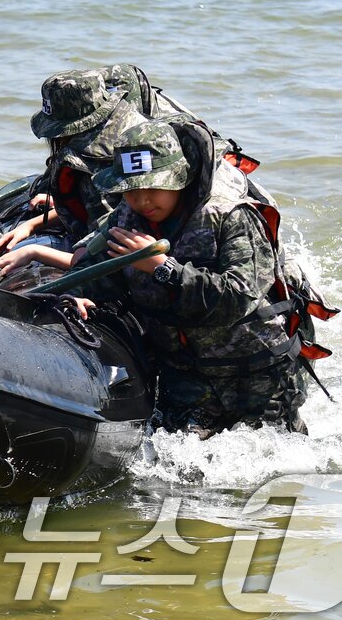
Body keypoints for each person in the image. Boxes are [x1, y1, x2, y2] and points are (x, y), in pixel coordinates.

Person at [69, 119, 313, 436]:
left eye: (153, 188)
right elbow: (94, 272)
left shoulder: (231, 217)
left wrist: (164, 269)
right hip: (184, 381)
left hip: (257, 378)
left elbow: (240, 296)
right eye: (131, 191)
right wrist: (76, 293)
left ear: (179, 179)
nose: (142, 201)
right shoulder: (126, 219)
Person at [0, 69, 148, 276]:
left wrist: (34, 252)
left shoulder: (96, 168)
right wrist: (32, 225)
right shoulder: (128, 134)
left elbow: (102, 257)